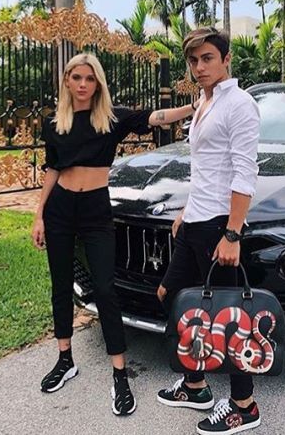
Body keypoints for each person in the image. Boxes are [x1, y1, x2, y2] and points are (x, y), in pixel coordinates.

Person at [31, 52, 196, 416]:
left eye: (90, 79)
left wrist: (194, 106)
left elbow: (156, 117)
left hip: (94, 211)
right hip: (60, 209)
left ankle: (120, 373)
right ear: (67, 81)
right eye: (77, 78)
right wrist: (39, 214)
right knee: (60, 285)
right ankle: (64, 359)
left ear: (98, 83)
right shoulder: (54, 122)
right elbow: (53, 169)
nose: (83, 85)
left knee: (105, 288)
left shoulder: (112, 117)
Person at [156, 28, 261, 434]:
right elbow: (206, 168)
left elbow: (243, 170)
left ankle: (244, 405)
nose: (199, 67)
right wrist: (186, 208)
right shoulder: (205, 101)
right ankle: (196, 385)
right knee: (171, 296)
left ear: (225, 58)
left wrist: (233, 233)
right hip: (195, 222)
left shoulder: (240, 104)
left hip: (220, 226)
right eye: (194, 61)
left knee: (227, 319)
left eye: (207, 59)